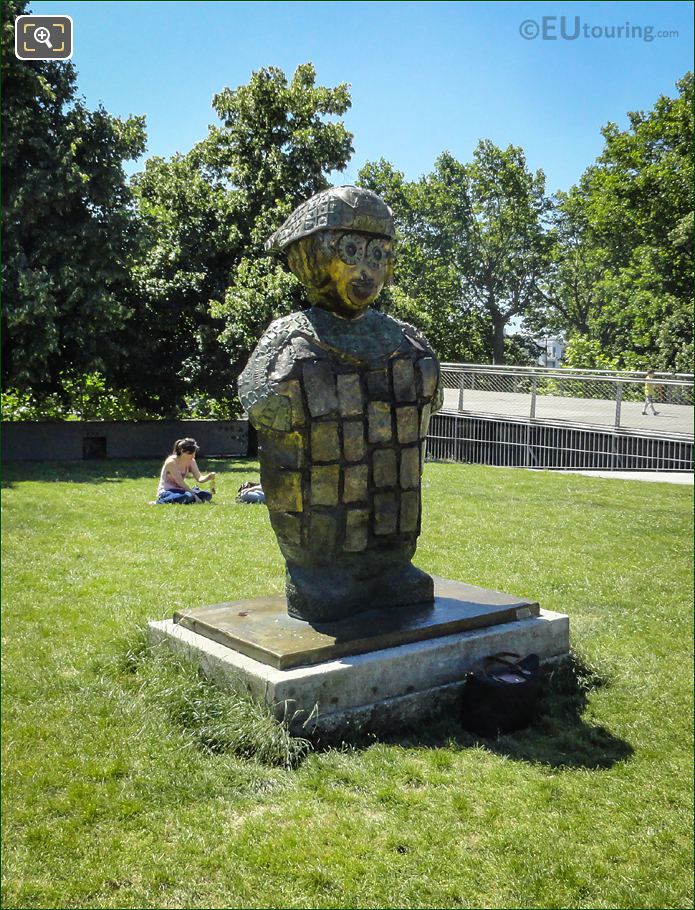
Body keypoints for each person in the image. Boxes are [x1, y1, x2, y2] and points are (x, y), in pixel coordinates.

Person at [155, 438, 216, 504]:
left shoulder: (191, 460)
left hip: (181, 490)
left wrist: (208, 477)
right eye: (191, 453)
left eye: (194, 452)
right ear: (182, 451)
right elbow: (180, 483)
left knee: (207, 495)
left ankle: (186, 499)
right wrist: (194, 495)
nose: (193, 455)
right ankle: (160, 502)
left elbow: (199, 478)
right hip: (167, 491)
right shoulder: (171, 462)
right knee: (188, 496)